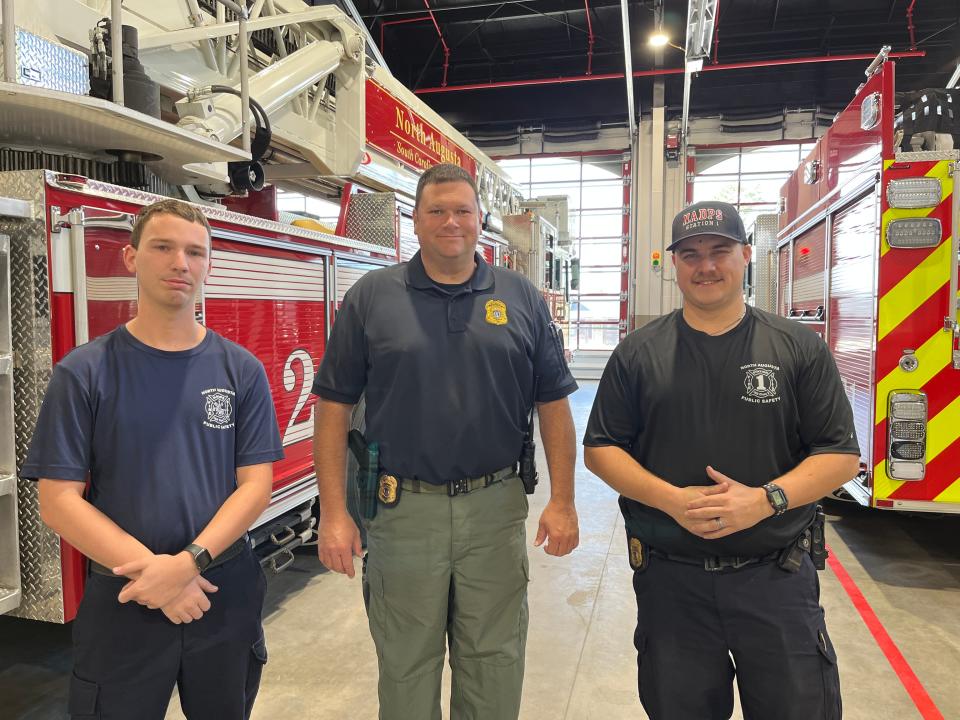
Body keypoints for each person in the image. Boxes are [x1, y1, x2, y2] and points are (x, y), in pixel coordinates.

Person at [312, 162, 580, 720]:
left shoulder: (521, 297)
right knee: (406, 662)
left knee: (495, 657)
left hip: (496, 507)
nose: (451, 221)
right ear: (416, 220)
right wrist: (333, 513)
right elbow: (333, 409)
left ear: (481, 221)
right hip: (402, 511)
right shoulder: (371, 298)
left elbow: (553, 404)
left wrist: (563, 500)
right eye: (437, 211)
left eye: (462, 210)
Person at [583, 200, 859, 720]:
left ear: (746, 255)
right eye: (690, 255)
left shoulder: (797, 347)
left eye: (719, 251)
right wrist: (672, 501)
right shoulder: (638, 354)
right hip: (672, 583)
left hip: (776, 577)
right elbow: (600, 449)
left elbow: (840, 455)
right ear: (673, 265)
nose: (705, 266)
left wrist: (764, 501)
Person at [22, 198, 284, 719]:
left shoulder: (241, 371)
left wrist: (187, 565)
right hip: (124, 596)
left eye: (195, 252)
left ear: (209, 264)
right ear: (130, 258)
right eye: (162, 247)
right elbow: (57, 502)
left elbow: (255, 486)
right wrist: (157, 579)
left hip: (220, 589)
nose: (179, 263)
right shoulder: (84, 372)